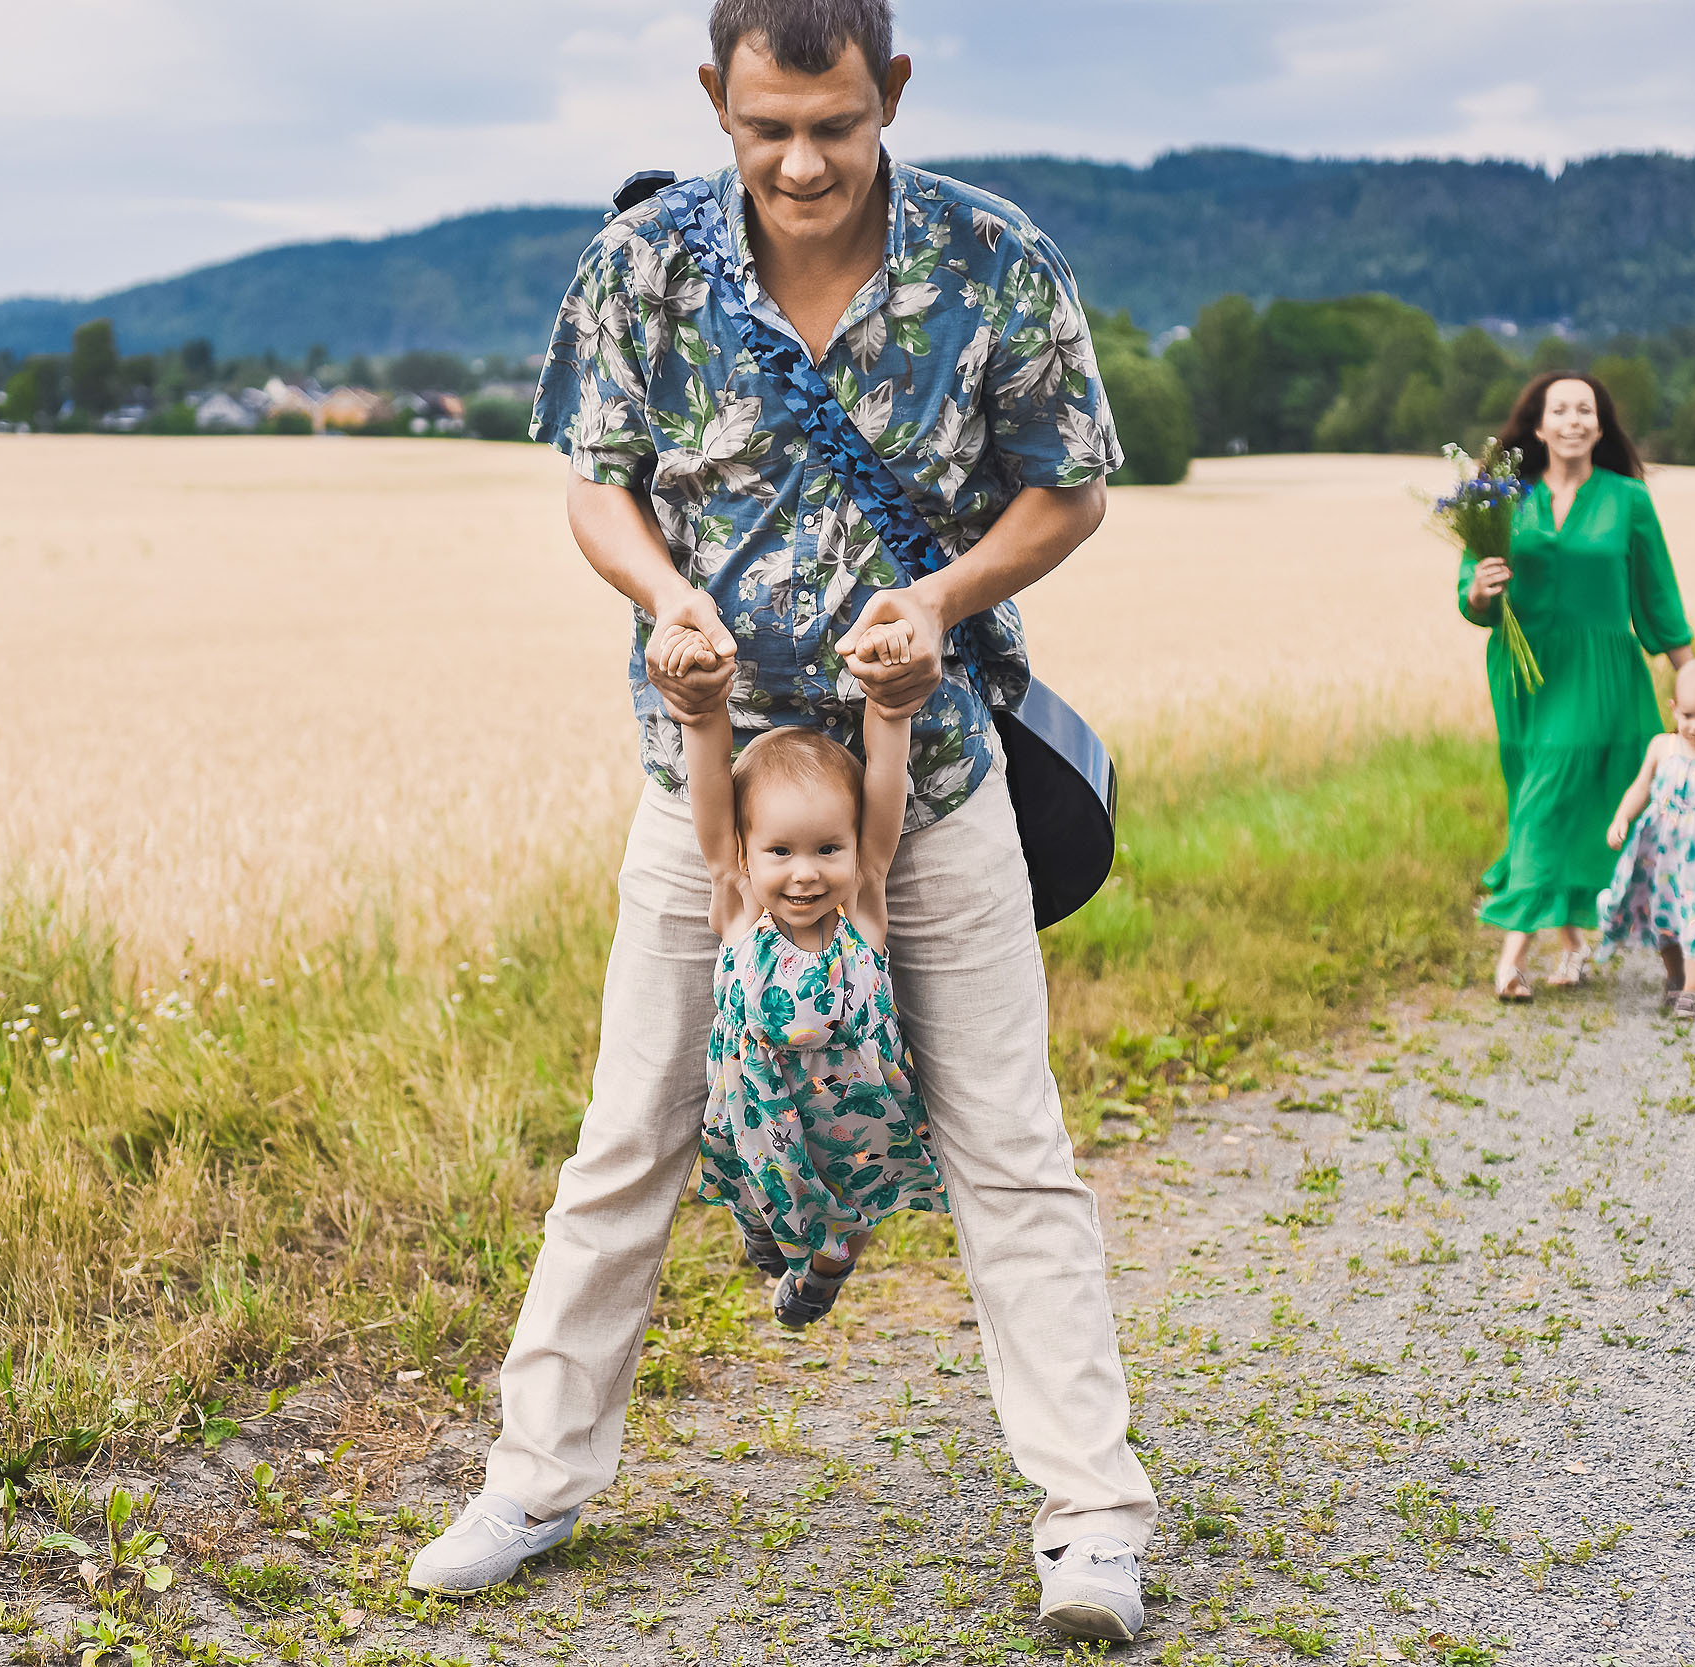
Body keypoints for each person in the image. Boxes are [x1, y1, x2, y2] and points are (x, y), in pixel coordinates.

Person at [407, 0, 1157, 1641]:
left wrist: (942, 599)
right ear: (713, 98)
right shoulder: (643, 267)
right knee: (629, 1132)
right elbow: (596, 478)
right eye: (766, 129)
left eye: (836, 126)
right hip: (710, 789)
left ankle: (1094, 1519)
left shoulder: (995, 261)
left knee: (1010, 1146)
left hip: (932, 779)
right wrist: (661, 594)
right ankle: (534, 1479)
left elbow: (1074, 485)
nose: (803, 164)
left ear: (893, 90)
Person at [664, 619, 948, 1327]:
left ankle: (827, 1270)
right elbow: (712, 795)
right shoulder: (739, 907)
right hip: (759, 1123)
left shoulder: (861, 913)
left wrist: (888, 710)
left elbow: (884, 789)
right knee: (752, 1186)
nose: (805, 872)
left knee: (854, 1211)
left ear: (853, 850)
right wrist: (703, 712)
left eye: (827, 849)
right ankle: (766, 1225)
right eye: (781, 851)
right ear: (746, 854)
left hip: (855, 1124)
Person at [1461, 370, 1695, 1002]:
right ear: (1538, 427)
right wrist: (1478, 591)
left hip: (1605, 676)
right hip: (1524, 676)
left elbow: (1657, 593)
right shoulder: (1502, 499)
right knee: (1543, 798)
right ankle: (1577, 944)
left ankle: (1514, 959)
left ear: (1600, 425)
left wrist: (1692, 675)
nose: (1573, 420)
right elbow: (1474, 597)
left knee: (1602, 807)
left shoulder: (1628, 500)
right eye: (1559, 410)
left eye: (1585, 410)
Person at [1597, 656, 1695, 1017]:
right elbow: (1641, 787)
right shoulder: (1662, 747)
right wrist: (1621, 817)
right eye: (1687, 716)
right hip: (1661, 856)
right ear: (1673, 708)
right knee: (1664, 916)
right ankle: (1676, 977)